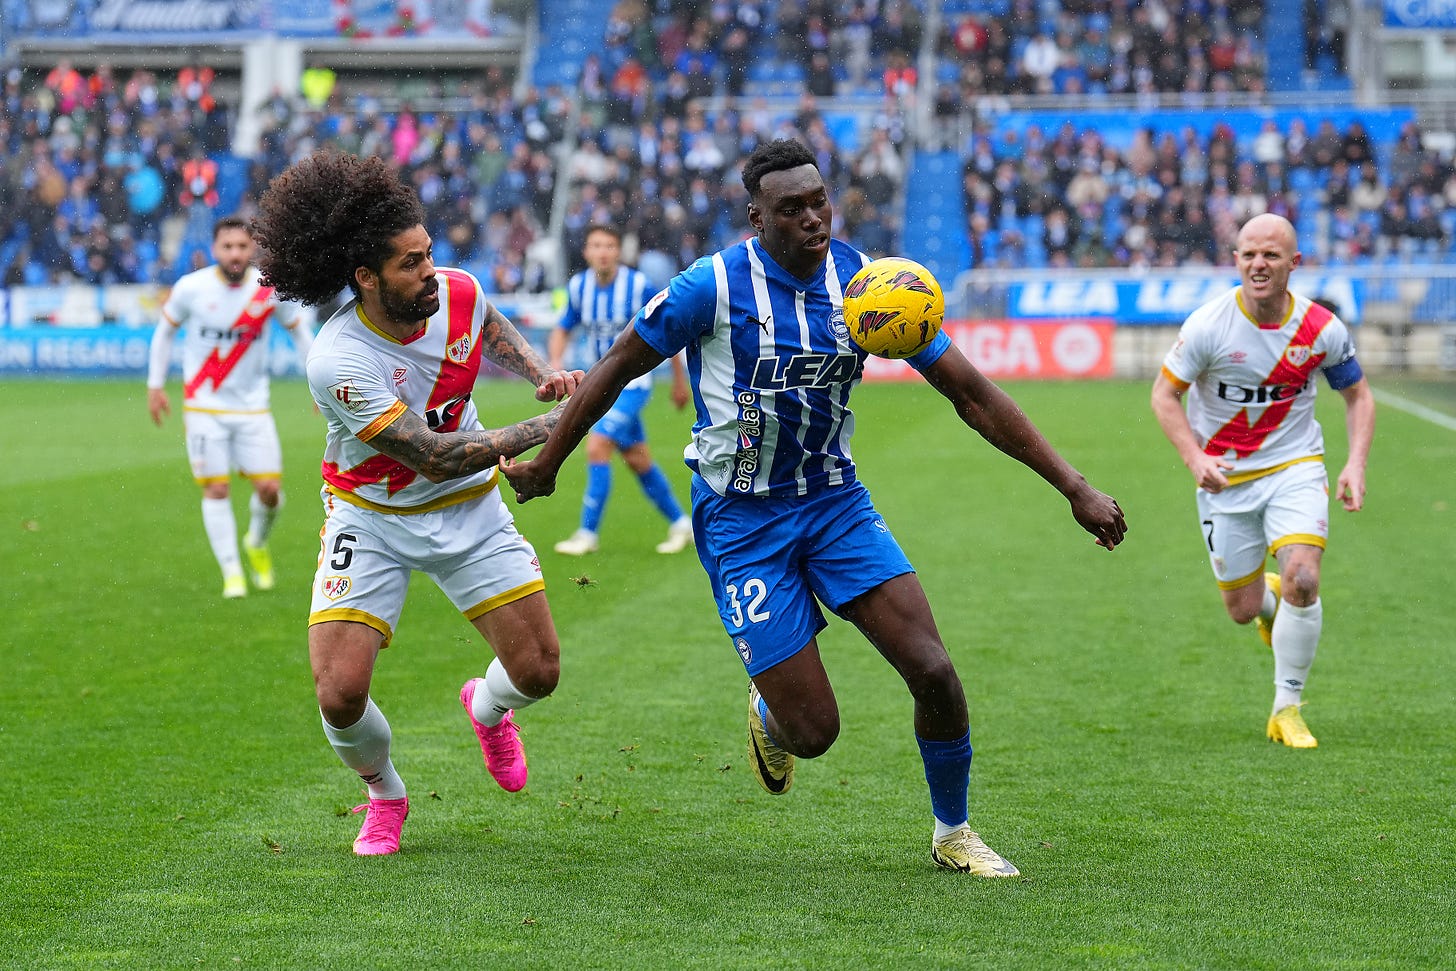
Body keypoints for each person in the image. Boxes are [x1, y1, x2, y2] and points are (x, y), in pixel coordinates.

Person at [501, 139, 1127, 876]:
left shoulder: (865, 285)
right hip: (742, 519)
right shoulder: (712, 287)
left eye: (820, 201)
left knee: (934, 670)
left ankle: (952, 831)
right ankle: (770, 708)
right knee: (813, 731)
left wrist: (1074, 485)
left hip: (835, 503)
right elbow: (612, 366)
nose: (813, 219)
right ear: (755, 216)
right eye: (791, 208)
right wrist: (549, 462)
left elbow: (971, 391)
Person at [249, 151, 583, 856]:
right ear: (366, 277)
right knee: (339, 691)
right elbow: (432, 454)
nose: (429, 271)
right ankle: (385, 792)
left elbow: (486, 321)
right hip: (371, 517)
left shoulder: (454, 289)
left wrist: (542, 373)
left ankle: (486, 706)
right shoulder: (339, 360)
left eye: (428, 253)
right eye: (410, 263)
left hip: (469, 508)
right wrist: (562, 422)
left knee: (540, 674)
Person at [1150, 213, 1374, 749]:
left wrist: (1355, 463)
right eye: (1249, 253)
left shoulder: (1322, 329)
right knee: (1242, 610)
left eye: (1271, 255)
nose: (1258, 264)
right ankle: (1267, 604)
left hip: (1295, 468)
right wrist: (1195, 459)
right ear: (1235, 259)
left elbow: (1358, 395)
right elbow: (1163, 396)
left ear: (1293, 264)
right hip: (1224, 480)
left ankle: (1286, 707)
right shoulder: (1209, 326)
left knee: (1303, 576)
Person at [146, 215, 315, 599]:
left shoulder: (268, 288)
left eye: (242, 246)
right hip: (204, 406)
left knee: (270, 490)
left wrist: (319, 383)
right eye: (228, 247)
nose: (235, 254)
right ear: (214, 249)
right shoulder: (191, 287)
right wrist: (155, 386)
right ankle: (232, 574)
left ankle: (255, 541)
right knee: (216, 489)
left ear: (252, 247)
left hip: (253, 408)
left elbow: (300, 333)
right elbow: (164, 333)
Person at [549, 224, 694, 556]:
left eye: (609, 246)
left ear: (618, 252)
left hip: (633, 384)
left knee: (597, 446)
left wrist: (678, 380)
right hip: (600, 385)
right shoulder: (578, 286)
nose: (602, 252)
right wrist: (555, 361)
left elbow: (667, 327)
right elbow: (563, 326)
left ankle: (587, 533)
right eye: (596, 245)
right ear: (586, 251)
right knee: (637, 459)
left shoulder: (638, 285)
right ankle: (680, 523)